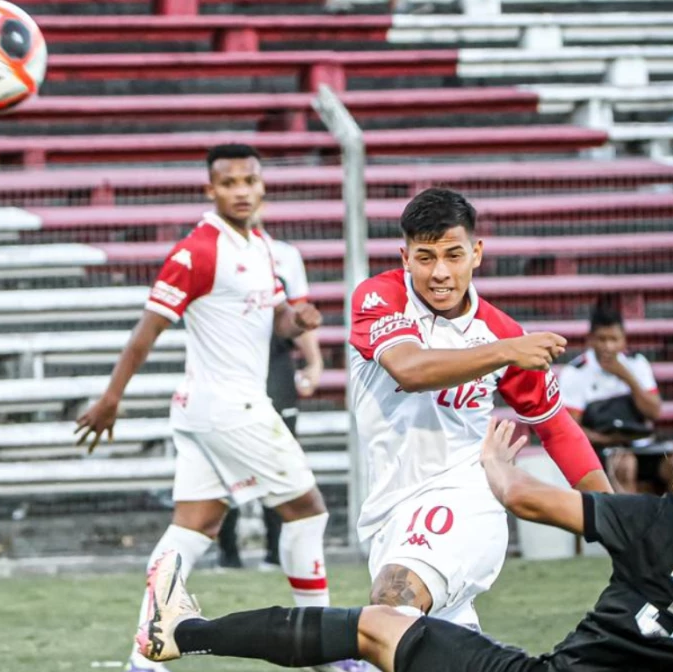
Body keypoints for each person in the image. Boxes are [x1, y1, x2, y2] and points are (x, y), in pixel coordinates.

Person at [138, 420, 673, 672]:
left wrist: (491, 463)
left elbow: (525, 499)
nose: (669, 487)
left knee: (378, 626)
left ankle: (185, 633)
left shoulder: (668, 523)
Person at [75, 143, 357, 672]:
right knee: (308, 510)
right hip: (231, 406)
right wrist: (111, 398)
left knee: (193, 526)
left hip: (207, 408)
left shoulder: (261, 246)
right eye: (229, 183)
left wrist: (298, 322)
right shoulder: (198, 250)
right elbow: (148, 330)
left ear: (263, 184)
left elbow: (276, 320)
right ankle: (327, 654)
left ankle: (143, 658)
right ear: (211, 190)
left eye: (249, 180)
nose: (242, 190)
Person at [340, 187, 610, 629]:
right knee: (430, 649)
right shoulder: (379, 298)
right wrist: (505, 351)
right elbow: (410, 369)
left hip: (463, 497)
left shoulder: (500, 332)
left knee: (393, 601)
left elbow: (557, 428)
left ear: (477, 253)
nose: (440, 272)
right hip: (389, 509)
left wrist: (614, 516)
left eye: (454, 254)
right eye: (425, 257)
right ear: (404, 257)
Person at [216, 211, 324, 570]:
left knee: (281, 459)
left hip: (276, 366)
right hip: (228, 371)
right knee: (225, 461)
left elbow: (298, 314)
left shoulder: (284, 256)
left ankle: (274, 555)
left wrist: (314, 362)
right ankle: (227, 555)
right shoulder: (211, 253)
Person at [560, 306, 665, 494]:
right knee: (624, 464)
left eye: (614, 339)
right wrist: (606, 439)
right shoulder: (575, 372)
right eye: (602, 339)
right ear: (590, 340)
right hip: (601, 450)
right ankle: (629, 522)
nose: (608, 346)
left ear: (624, 340)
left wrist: (626, 377)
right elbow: (571, 427)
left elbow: (654, 412)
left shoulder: (637, 364)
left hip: (642, 445)